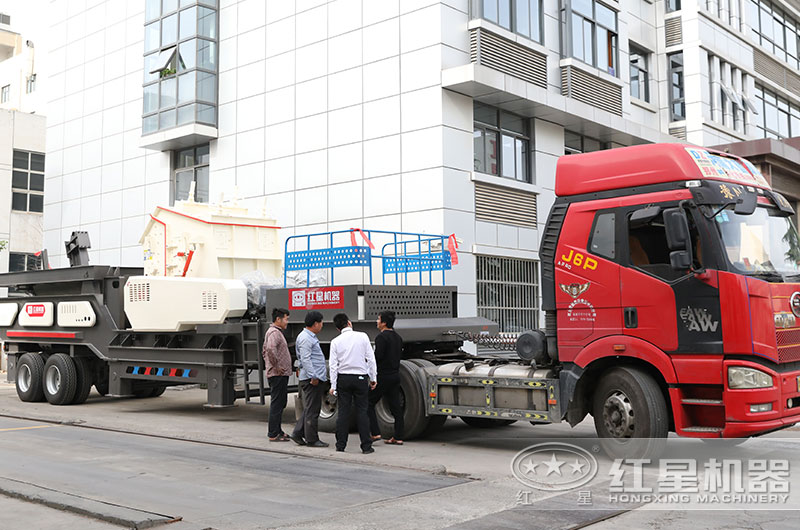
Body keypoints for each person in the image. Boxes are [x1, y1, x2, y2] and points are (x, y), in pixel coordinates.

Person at [329, 313, 377, 454]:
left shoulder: (335, 341)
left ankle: (341, 445)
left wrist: (333, 386)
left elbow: (333, 366)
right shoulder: (362, 336)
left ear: (338, 329)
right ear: (349, 323)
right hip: (360, 378)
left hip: (343, 379)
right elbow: (371, 359)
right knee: (362, 411)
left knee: (343, 412)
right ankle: (366, 446)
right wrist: (373, 378)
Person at [290, 311, 329, 448]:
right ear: (315, 323)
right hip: (312, 379)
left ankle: (297, 433)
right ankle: (312, 439)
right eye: (321, 322)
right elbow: (305, 359)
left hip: (312, 377)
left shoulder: (308, 336)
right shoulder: (306, 338)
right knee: (313, 410)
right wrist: (313, 376)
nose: (322, 325)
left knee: (310, 408)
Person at [367, 310, 404, 445]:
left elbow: (377, 358)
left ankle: (375, 433)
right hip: (395, 375)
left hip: (383, 376)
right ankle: (398, 436)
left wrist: (371, 374)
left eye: (378, 319)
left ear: (383, 323)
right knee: (395, 407)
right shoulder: (398, 337)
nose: (377, 322)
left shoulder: (381, 338)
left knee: (368, 402)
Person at [263, 308, 292, 442]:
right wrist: (276, 366)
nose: (287, 321)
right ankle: (273, 433)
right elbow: (269, 349)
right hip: (277, 375)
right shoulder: (274, 333)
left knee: (280, 403)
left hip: (279, 374)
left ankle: (277, 430)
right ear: (278, 319)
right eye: (286, 319)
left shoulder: (275, 332)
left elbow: (265, 351)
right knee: (277, 403)